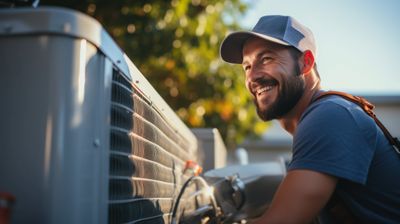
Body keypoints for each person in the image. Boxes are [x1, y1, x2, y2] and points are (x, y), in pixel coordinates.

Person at [220, 15, 400, 223]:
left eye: (266, 59)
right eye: (247, 67)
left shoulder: (329, 116)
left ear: (305, 63)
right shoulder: (320, 118)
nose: (252, 77)